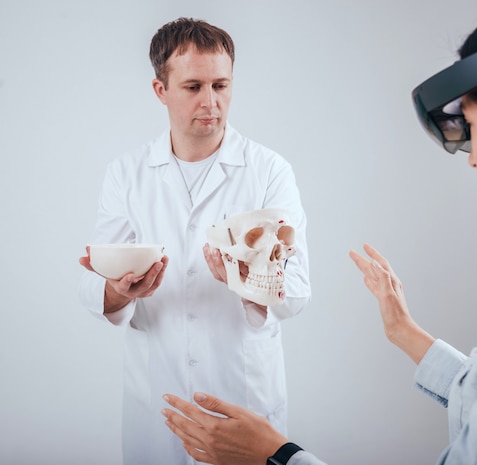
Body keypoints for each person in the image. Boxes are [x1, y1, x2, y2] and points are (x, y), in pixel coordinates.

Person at [160, 0, 477, 463]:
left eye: (474, 127)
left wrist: (275, 454)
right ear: (161, 90)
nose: (475, 158)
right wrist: (404, 331)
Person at [78, 18, 311, 465]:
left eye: (221, 85)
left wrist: (246, 280)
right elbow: (93, 285)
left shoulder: (268, 171)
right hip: (158, 402)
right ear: (160, 90)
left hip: (243, 396)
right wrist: (117, 289)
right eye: (193, 87)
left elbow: (296, 289)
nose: (211, 102)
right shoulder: (127, 174)